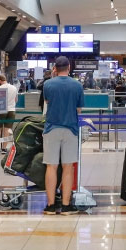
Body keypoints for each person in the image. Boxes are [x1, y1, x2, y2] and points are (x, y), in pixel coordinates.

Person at [42, 56, 84, 215]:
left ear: (55, 68)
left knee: (51, 166)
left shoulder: (48, 84)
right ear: (69, 67)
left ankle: (51, 205)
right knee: (68, 167)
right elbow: (79, 109)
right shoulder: (77, 85)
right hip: (71, 129)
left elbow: (47, 102)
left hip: (51, 128)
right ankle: (66, 205)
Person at [0, 75, 18, 154]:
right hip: (12, 110)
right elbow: (16, 100)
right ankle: (4, 148)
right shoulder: (14, 88)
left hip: (1, 110)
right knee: (7, 130)